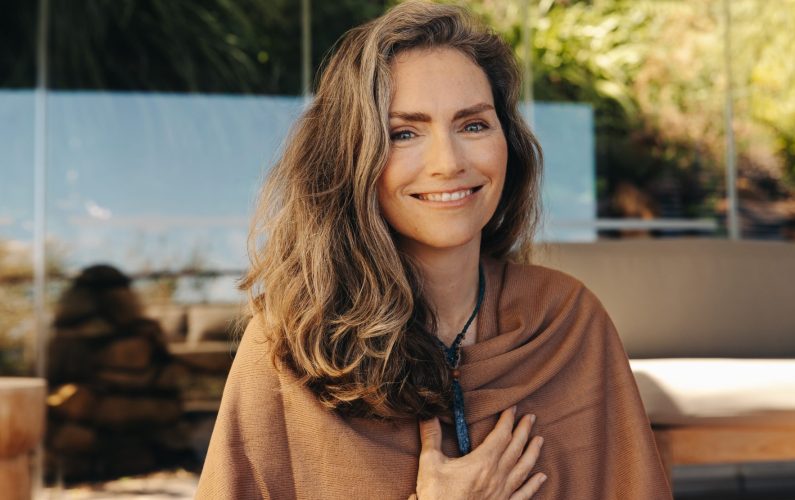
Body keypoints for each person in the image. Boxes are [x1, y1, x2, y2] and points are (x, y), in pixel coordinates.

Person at [196, 2, 671, 499]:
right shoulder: (287, 345)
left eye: (473, 125)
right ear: (350, 157)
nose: (448, 162)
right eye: (405, 133)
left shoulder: (567, 322)